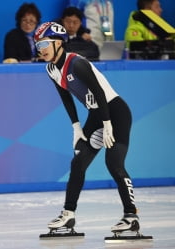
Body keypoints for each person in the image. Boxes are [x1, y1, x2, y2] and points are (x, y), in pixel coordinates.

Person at [34, 22, 140, 235]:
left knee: (114, 163)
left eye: (44, 43)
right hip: (95, 115)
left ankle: (131, 216)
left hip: (115, 112)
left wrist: (108, 123)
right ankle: (68, 215)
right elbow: (65, 97)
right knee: (78, 162)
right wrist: (76, 127)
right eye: (38, 45)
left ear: (58, 43)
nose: (41, 49)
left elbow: (99, 93)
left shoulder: (77, 63)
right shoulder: (51, 69)